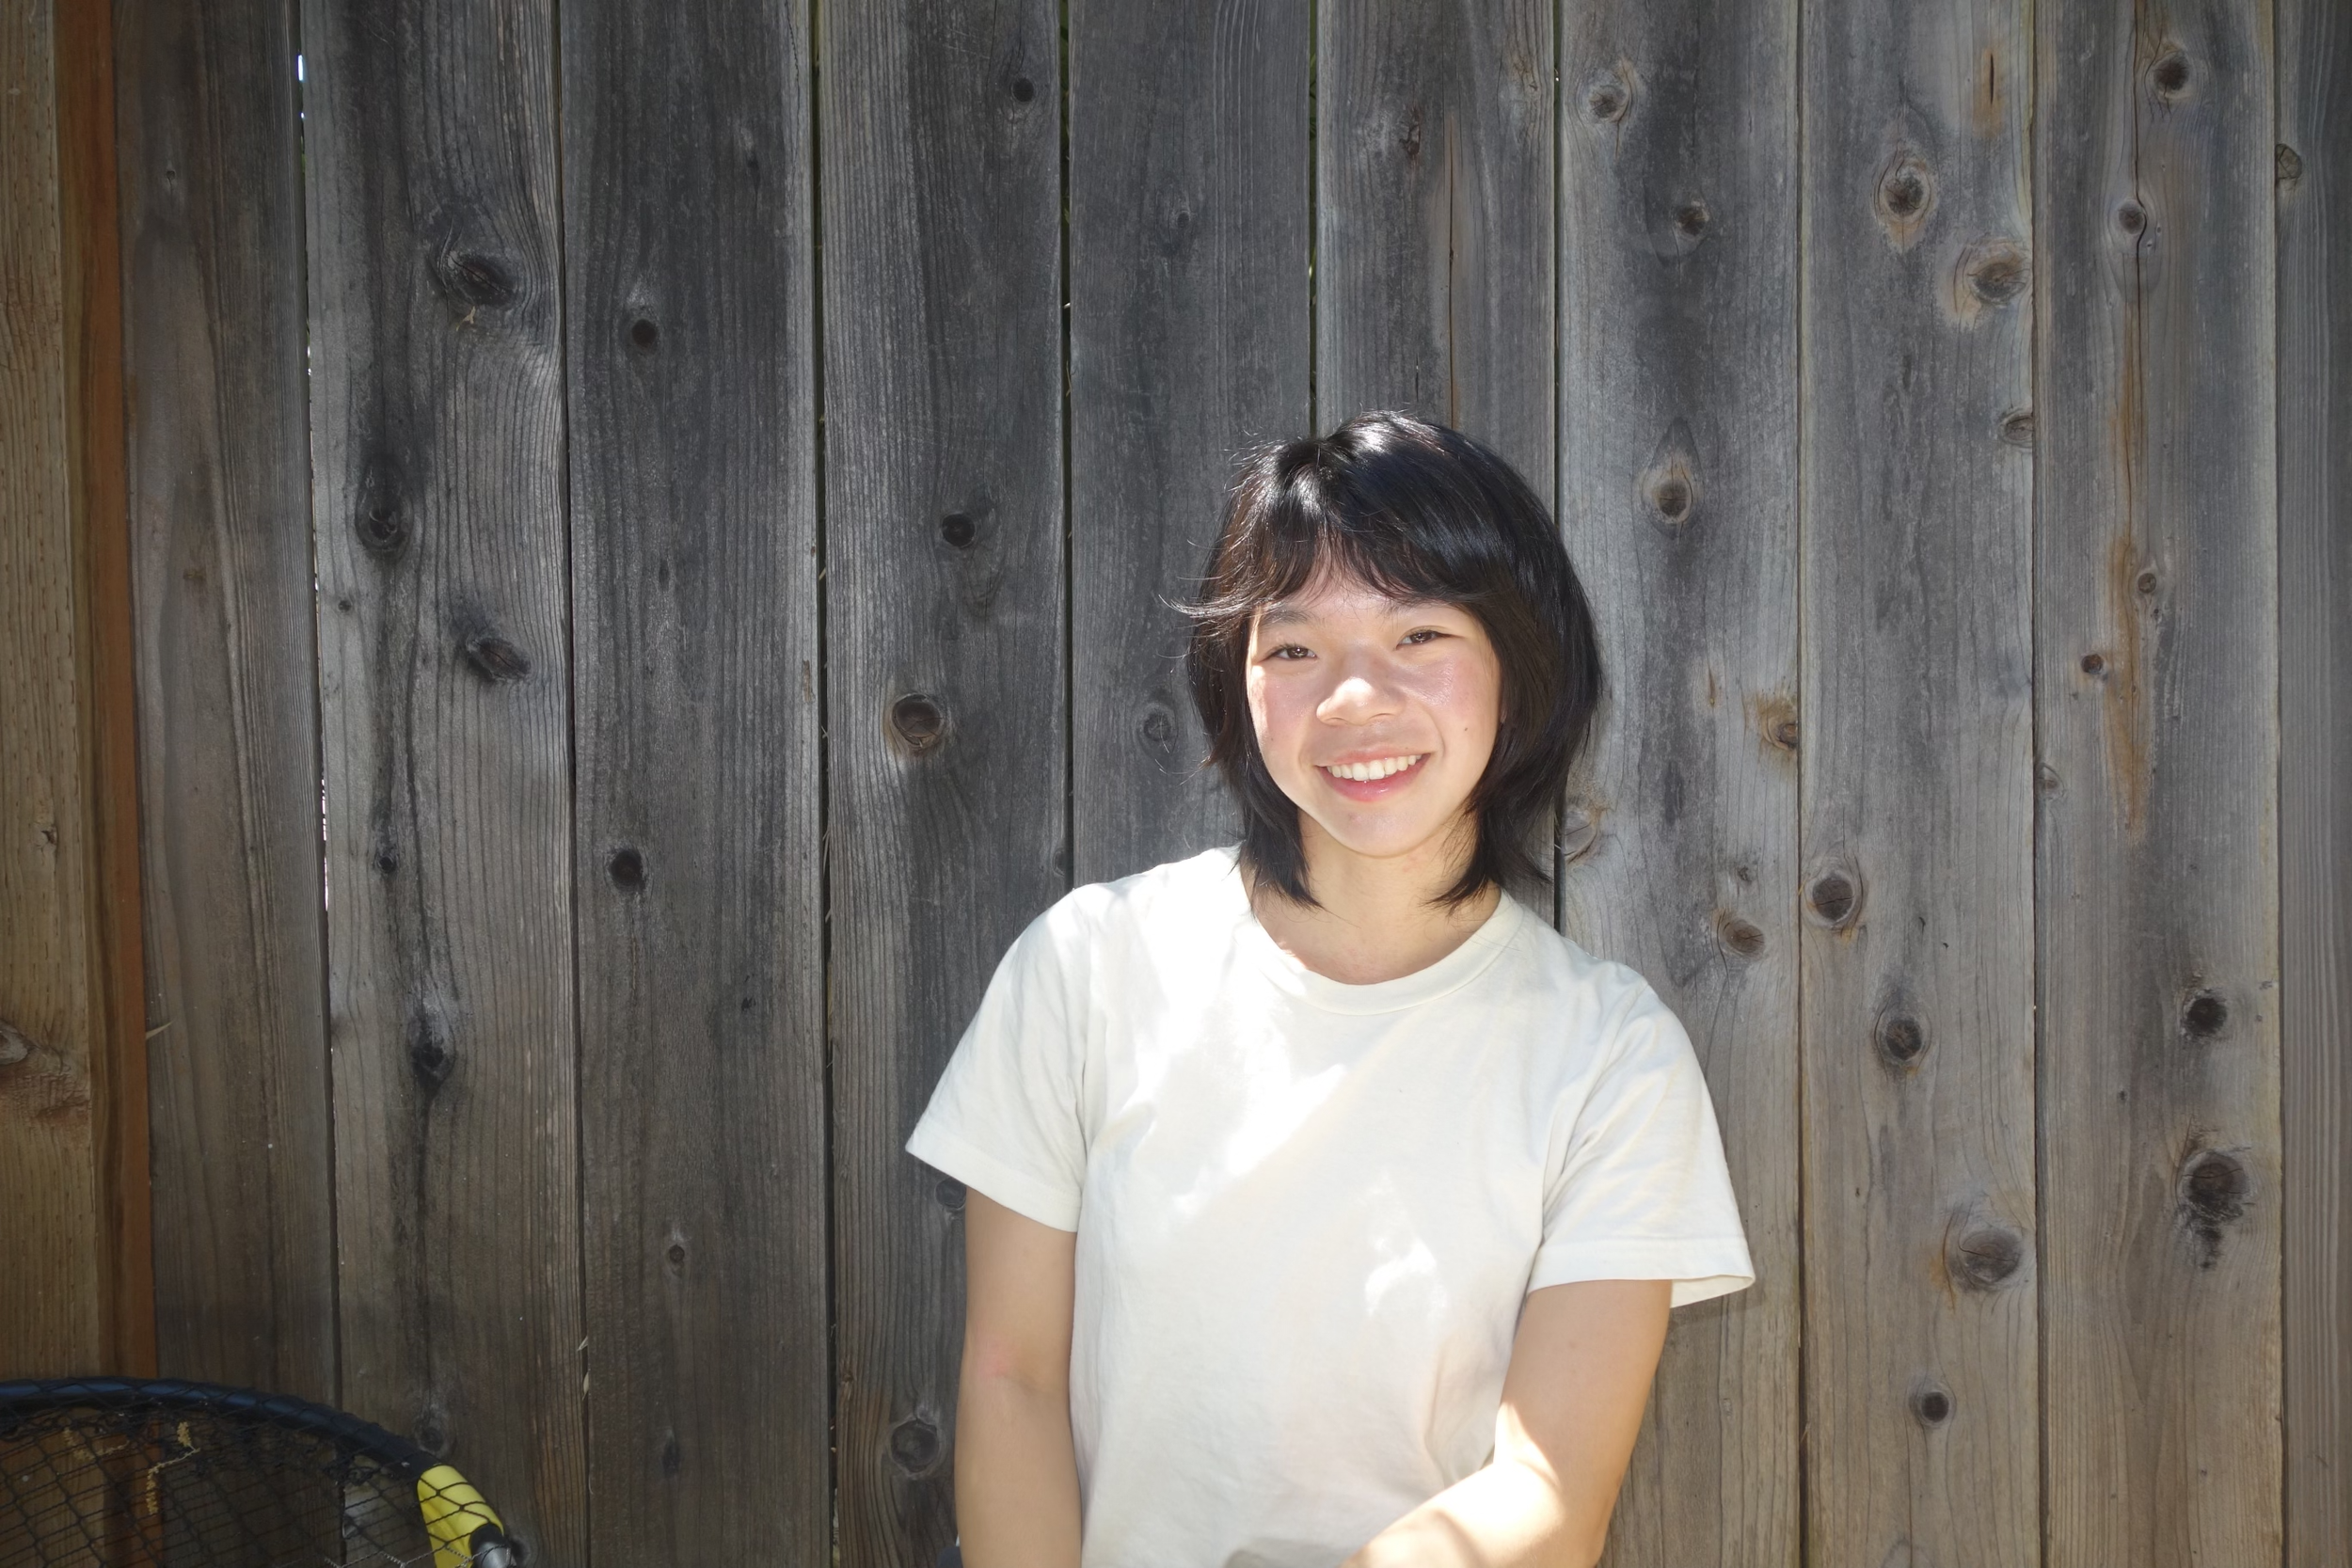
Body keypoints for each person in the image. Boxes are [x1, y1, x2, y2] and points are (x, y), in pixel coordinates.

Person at [906, 411, 1755, 1568]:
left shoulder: (1609, 1053)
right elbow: (1011, 1377)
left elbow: (1549, 1491)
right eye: (1293, 645)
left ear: (1520, 669)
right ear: (1237, 679)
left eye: (1418, 634)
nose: (1354, 697)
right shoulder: (1089, 967)